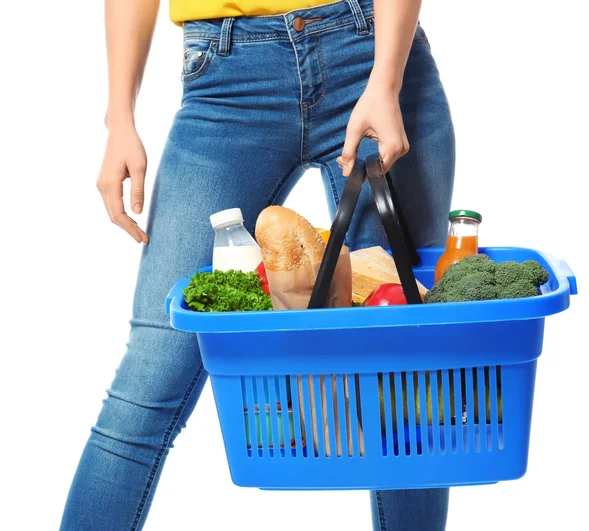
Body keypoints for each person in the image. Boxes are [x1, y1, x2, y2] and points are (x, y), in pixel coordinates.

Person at [60, 0, 455, 529]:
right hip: (225, 82)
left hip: (372, 48)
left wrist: (386, 79)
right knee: (149, 381)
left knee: (402, 381)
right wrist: (120, 118)